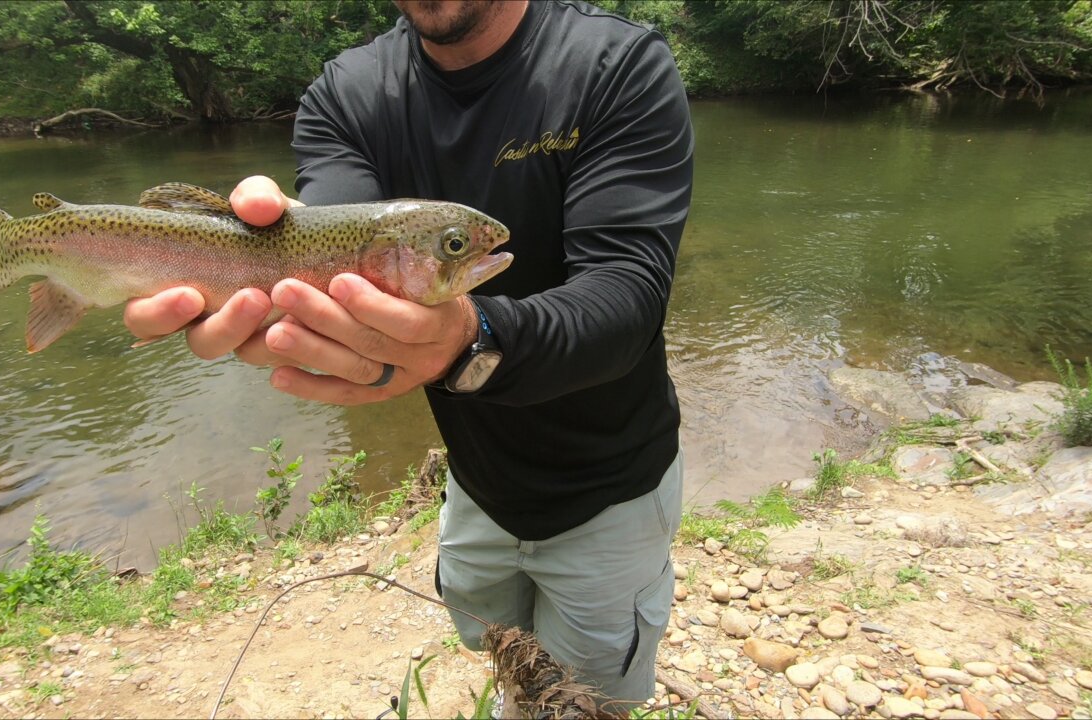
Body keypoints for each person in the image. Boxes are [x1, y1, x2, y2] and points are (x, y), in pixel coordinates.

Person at [125, 0, 693, 710]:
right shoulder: (347, 94)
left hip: (613, 488)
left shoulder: (615, 66)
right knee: (505, 658)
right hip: (477, 482)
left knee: (588, 701)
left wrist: (467, 342)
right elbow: (339, 257)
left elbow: (627, 298)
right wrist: (276, 295)